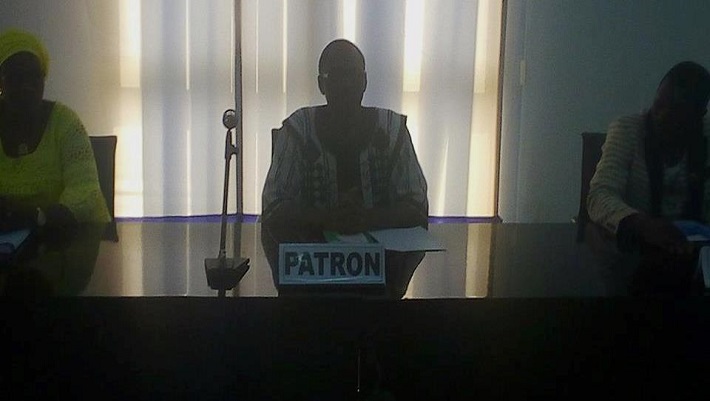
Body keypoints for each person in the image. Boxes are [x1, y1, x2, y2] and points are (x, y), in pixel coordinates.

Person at [261, 39, 429, 295]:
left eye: (353, 75)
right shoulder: (298, 130)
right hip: (308, 278)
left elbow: (416, 206)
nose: (347, 84)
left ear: (365, 81)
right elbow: (273, 206)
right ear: (321, 84)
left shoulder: (392, 130)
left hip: (384, 277)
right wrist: (328, 219)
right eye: (337, 76)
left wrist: (366, 219)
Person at [587, 61, 710, 294]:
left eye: (675, 112)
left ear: (698, 116)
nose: (661, 117)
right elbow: (600, 194)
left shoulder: (707, 136)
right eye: (659, 105)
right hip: (635, 260)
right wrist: (641, 224)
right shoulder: (628, 130)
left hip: (694, 260)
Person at [0, 28, 110, 232]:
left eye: (35, 76)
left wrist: (38, 216)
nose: (27, 86)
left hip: (69, 237)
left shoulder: (65, 123)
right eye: (16, 77)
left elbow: (85, 192)